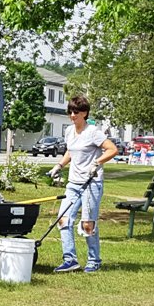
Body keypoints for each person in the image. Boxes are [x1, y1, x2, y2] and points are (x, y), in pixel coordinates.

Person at [48, 96, 118, 273]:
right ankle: (69, 260)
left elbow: (112, 149)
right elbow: (71, 152)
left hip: (91, 183)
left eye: (76, 112)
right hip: (73, 183)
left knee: (88, 224)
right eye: (70, 112)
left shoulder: (93, 132)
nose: (72, 115)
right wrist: (59, 165)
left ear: (85, 113)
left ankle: (94, 260)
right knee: (63, 219)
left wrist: (97, 163)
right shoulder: (69, 131)